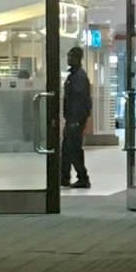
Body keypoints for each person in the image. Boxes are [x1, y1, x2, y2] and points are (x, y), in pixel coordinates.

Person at [59, 47, 93, 190]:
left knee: (73, 148)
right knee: (67, 148)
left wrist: (75, 120)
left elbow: (78, 101)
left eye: (71, 56)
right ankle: (64, 177)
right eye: (68, 55)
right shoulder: (73, 75)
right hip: (72, 118)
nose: (69, 58)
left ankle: (83, 177)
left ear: (78, 58)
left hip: (75, 119)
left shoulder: (78, 77)